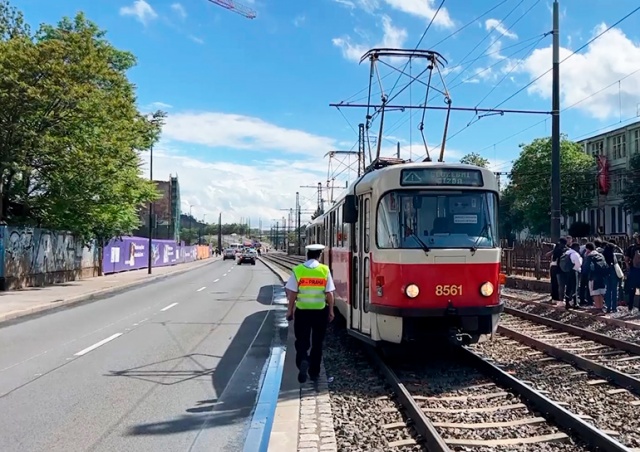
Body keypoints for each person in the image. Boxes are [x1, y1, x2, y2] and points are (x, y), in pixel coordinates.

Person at [285, 244, 336, 384]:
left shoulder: (298, 270)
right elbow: (329, 293)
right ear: (319, 255)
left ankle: (303, 360)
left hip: (302, 311)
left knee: (302, 340)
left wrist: (290, 310)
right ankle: (314, 373)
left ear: (307, 255)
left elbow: (293, 293)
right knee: (317, 343)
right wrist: (331, 310)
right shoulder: (324, 270)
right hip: (320, 311)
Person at [625, 233, 640, 313]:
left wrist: (628, 268)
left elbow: (626, 259)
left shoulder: (632, 247)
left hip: (633, 271)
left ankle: (630, 308)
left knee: (632, 290)